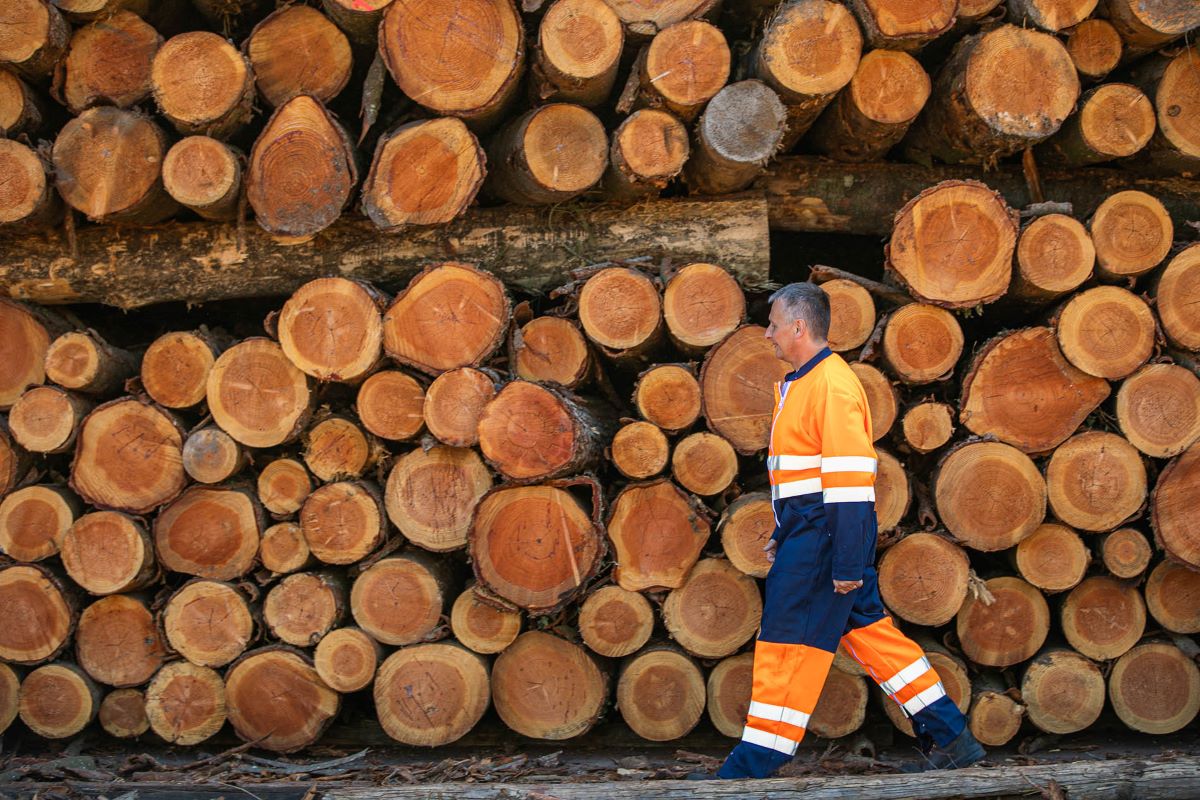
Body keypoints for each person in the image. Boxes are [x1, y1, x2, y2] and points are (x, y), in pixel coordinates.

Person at [708, 282, 984, 779]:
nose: (767, 334)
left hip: (823, 540)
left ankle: (753, 765)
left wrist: (847, 563)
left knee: (785, 644)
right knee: (875, 639)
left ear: (798, 327)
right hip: (810, 532)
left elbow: (851, 484)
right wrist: (783, 530)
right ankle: (951, 736)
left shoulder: (831, 386)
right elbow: (806, 477)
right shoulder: (806, 382)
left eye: (773, 324)